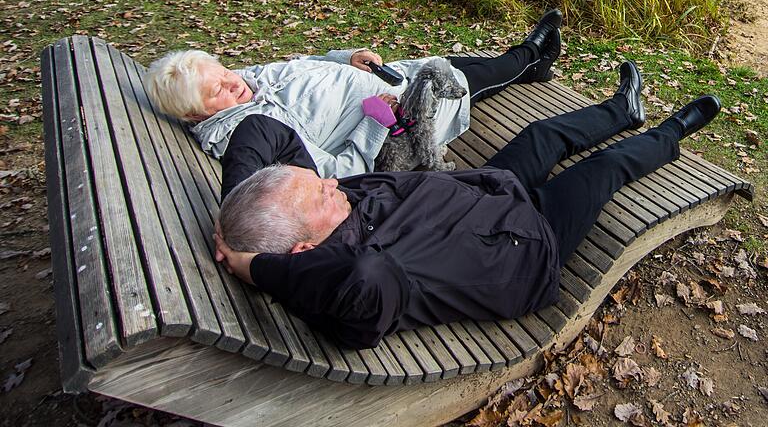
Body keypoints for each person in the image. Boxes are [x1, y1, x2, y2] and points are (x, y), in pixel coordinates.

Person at [214, 70, 722, 350]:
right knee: (606, 169)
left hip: (484, 191)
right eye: (321, 193)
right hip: (524, 244)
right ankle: (673, 132)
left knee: (541, 135)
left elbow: (260, 130)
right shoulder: (359, 280)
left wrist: (239, 214)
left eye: (320, 181)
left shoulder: (318, 208)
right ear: (303, 251)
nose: (331, 182)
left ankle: (622, 110)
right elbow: (366, 277)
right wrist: (258, 266)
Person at [144, 11, 563, 194]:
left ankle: (530, 64)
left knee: (452, 64)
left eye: (224, 73)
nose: (232, 84)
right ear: (196, 114)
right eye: (216, 90)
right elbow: (333, 174)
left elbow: (305, 64)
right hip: (400, 116)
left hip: (385, 78)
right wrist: (376, 121)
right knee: (467, 78)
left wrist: (346, 59)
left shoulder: (248, 80)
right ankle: (529, 56)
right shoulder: (250, 137)